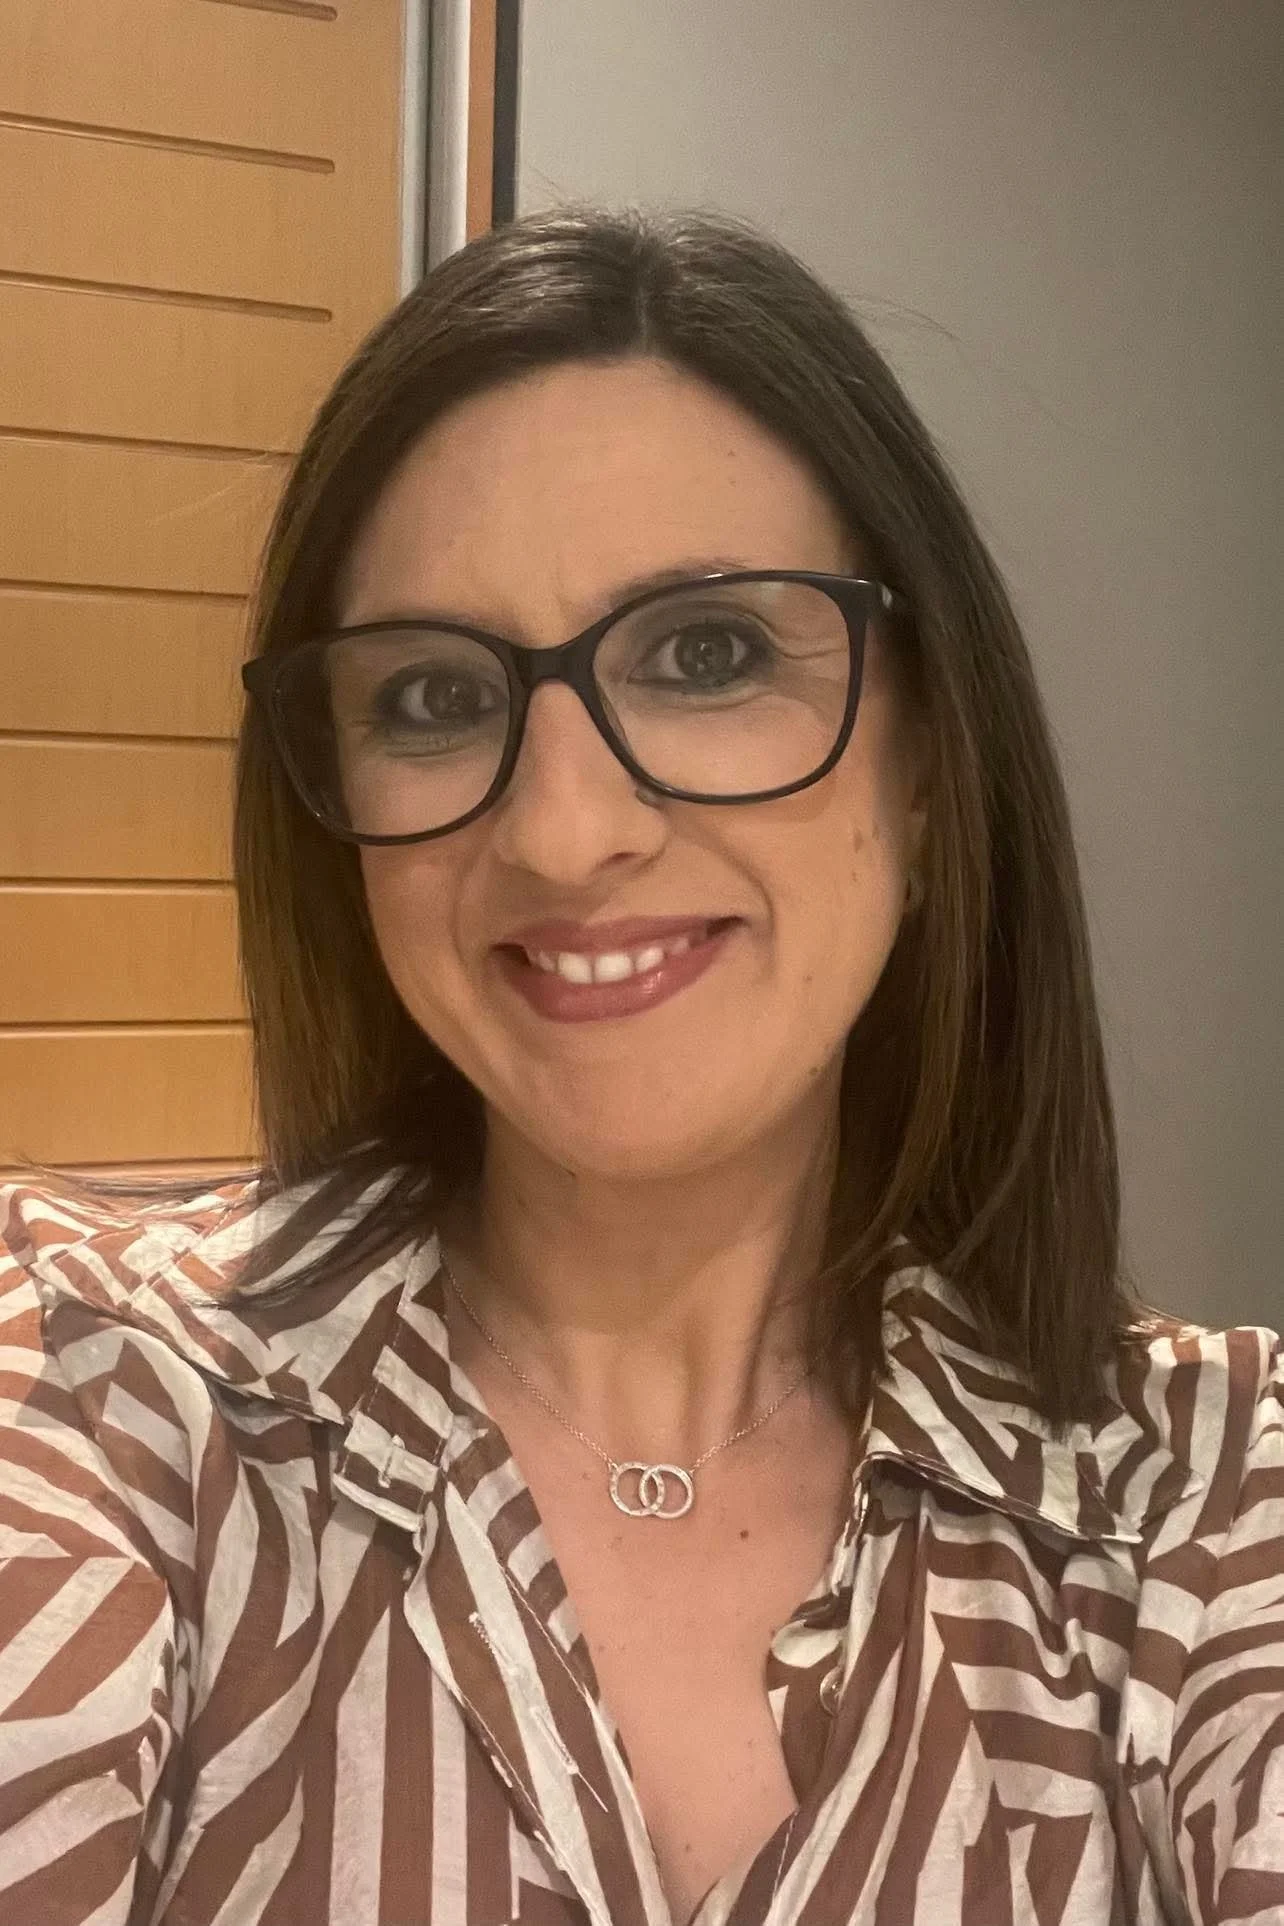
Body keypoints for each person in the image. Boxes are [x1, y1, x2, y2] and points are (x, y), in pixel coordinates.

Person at [1, 208, 1279, 1926]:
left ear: (923, 765)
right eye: (435, 696)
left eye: (707, 654)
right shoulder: (86, 1396)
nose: (562, 829)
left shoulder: (1207, 1497)